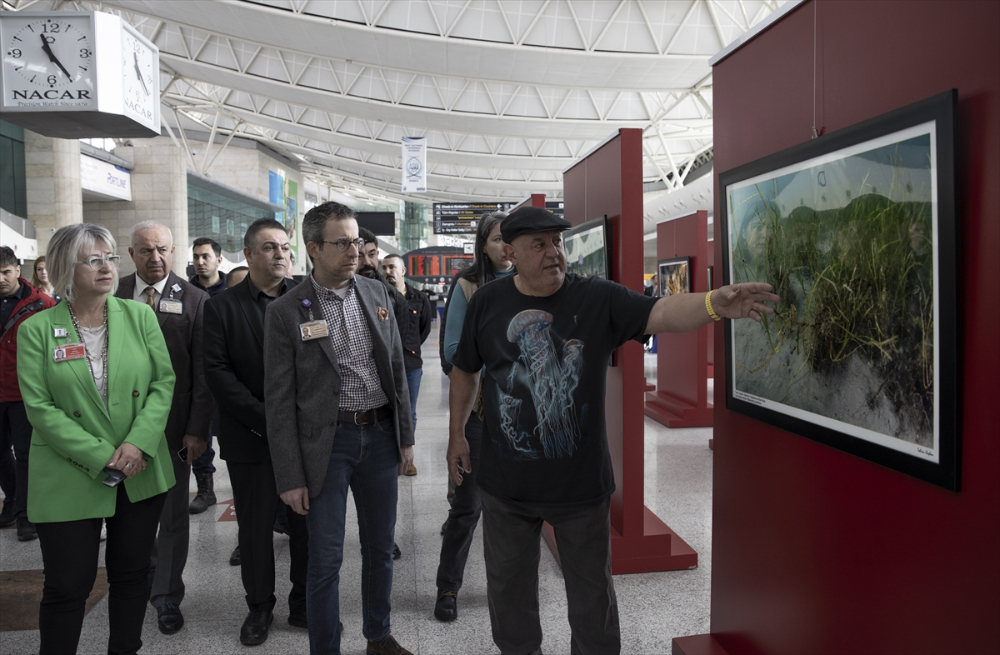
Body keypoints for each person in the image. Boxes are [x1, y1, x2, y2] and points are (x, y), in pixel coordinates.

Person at [447, 207, 779, 654]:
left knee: (592, 605)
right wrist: (456, 435)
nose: (554, 254)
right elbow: (465, 371)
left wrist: (711, 304)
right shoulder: (487, 302)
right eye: (539, 245)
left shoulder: (596, 298)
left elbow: (660, 312)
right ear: (510, 252)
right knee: (509, 601)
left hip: (580, 487)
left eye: (558, 242)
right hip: (507, 488)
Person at [16, 223, 176, 655]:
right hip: (68, 472)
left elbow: (164, 382)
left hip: (138, 466)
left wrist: (137, 443)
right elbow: (40, 408)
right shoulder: (36, 329)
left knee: (131, 574)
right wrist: (103, 454)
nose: (107, 267)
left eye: (110, 257)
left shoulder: (139, 315)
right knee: (68, 585)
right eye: (94, 259)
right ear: (67, 265)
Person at [264, 201, 414, 655]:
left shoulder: (376, 294)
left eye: (357, 241)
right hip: (327, 445)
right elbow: (278, 400)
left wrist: (405, 438)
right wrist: (290, 478)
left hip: (381, 437)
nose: (356, 251)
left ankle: (378, 636)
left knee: (380, 548)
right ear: (313, 248)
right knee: (326, 558)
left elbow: (395, 368)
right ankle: (325, 648)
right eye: (342, 242)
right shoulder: (288, 310)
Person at [203, 218, 309, 646]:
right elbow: (217, 372)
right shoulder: (222, 307)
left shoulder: (308, 300)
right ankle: (259, 606)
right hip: (251, 436)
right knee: (255, 526)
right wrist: (268, 417)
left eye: (285, 247)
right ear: (248, 255)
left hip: (305, 437)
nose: (280, 254)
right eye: (269, 248)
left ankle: (303, 602)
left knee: (307, 526)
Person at [115, 221, 213, 636]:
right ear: (131, 253)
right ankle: (136, 583)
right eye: (145, 251)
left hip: (174, 430)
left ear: (174, 252)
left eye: (162, 250)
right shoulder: (112, 293)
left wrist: (197, 430)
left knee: (173, 516)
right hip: (118, 431)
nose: (155, 258)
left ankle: (167, 596)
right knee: (125, 516)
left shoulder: (195, 299)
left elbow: (204, 372)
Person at [434, 210, 513, 622]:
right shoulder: (467, 285)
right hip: (482, 412)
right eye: (498, 239)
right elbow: (451, 355)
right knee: (468, 505)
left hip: (525, 417)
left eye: (511, 238)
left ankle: (512, 588)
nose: (506, 246)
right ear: (483, 244)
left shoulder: (532, 281)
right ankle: (448, 586)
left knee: (518, 509)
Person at [0, 246, 57, 540]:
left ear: (17, 271)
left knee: (25, 455)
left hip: (25, 394)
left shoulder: (41, 304)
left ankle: (25, 515)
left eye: (5, 272)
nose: (0, 278)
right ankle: (12, 498)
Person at [188, 237, 227, 515]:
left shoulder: (232, 289)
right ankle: (205, 488)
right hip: (195, 378)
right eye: (196, 257)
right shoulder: (184, 293)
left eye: (206, 256)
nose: (200, 262)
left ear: (218, 260)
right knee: (198, 433)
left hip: (225, 376)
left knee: (230, 437)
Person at [380, 254, 431, 443]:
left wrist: (410, 346)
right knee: (386, 411)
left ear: (402, 271)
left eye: (392, 267)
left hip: (410, 365)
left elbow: (423, 330)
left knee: (409, 411)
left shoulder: (418, 298)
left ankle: (407, 452)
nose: (387, 272)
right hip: (383, 364)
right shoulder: (378, 297)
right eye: (384, 268)